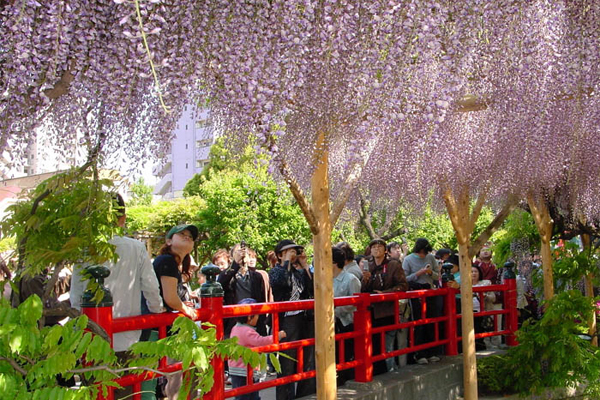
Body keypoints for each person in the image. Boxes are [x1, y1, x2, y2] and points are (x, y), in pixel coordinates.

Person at [70, 194, 165, 398]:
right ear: (122, 219)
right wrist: (158, 312)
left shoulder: (85, 248)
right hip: (128, 336)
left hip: (92, 339)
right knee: (128, 390)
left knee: (96, 391)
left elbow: (76, 296)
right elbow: (151, 288)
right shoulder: (136, 248)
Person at [153, 224, 199, 400]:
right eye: (182, 234)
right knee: (177, 380)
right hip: (169, 333)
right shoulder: (167, 261)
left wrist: (180, 304)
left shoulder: (174, 264)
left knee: (185, 376)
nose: (187, 237)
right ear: (169, 240)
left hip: (174, 331)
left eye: (190, 236)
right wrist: (185, 308)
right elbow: (170, 298)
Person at [269, 240, 314, 400]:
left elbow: (311, 288)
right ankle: (284, 397)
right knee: (287, 362)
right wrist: (286, 261)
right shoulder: (275, 271)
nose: (293, 253)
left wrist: (305, 265)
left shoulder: (298, 272)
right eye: (288, 251)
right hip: (287, 320)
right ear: (280, 254)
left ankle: (305, 395)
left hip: (303, 318)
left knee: (307, 359)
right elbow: (283, 283)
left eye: (294, 251)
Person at [361, 238, 408, 374]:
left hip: (388, 309)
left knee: (387, 344)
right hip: (372, 310)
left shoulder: (393, 265)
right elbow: (363, 290)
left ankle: (391, 371)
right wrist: (366, 279)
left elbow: (403, 286)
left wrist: (384, 293)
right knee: (374, 343)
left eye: (379, 247)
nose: (376, 249)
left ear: (385, 250)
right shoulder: (368, 265)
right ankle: (377, 371)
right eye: (374, 247)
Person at [229, 298, 286, 400]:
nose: (258, 318)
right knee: (249, 395)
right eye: (257, 315)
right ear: (249, 317)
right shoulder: (247, 331)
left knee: (241, 395)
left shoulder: (235, 328)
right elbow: (261, 341)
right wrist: (278, 336)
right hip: (245, 370)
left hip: (235, 369)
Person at [402, 238, 442, 365]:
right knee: (418, 323)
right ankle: (419, 353)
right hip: (415, 293)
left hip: (429, 291)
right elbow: (405, 279)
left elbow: (438, 276)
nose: (423, 256)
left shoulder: (430, 258)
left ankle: (432, 351)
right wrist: (418, 273)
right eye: (421, 253)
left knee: (431, 321)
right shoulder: (408, 259)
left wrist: (430, 272)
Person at [218, 243, 267, 337]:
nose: (242, 255)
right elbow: (221, 283)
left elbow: (262, 301)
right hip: (234, 325)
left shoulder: (257, 276)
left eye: (245, 253)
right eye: (238, 253)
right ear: (232, 257)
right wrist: (235, 264)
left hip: (254, 324)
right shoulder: (228, 276)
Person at [332, 246, 361, 384]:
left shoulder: (351, 279)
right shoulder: (324, 280)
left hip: (347, 322)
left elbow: (355, 303)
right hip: (331, 324)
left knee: (346, 353)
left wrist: (335, 311)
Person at [471, 264, 495, 351]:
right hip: (469, 311)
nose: (473, 274)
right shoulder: (463, 284)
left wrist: (485, 296)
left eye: (475, 271)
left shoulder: (486, 283)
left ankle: (481, 347)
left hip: (482, 311)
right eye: (471, 272)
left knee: (480, 331)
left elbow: (493, 298)